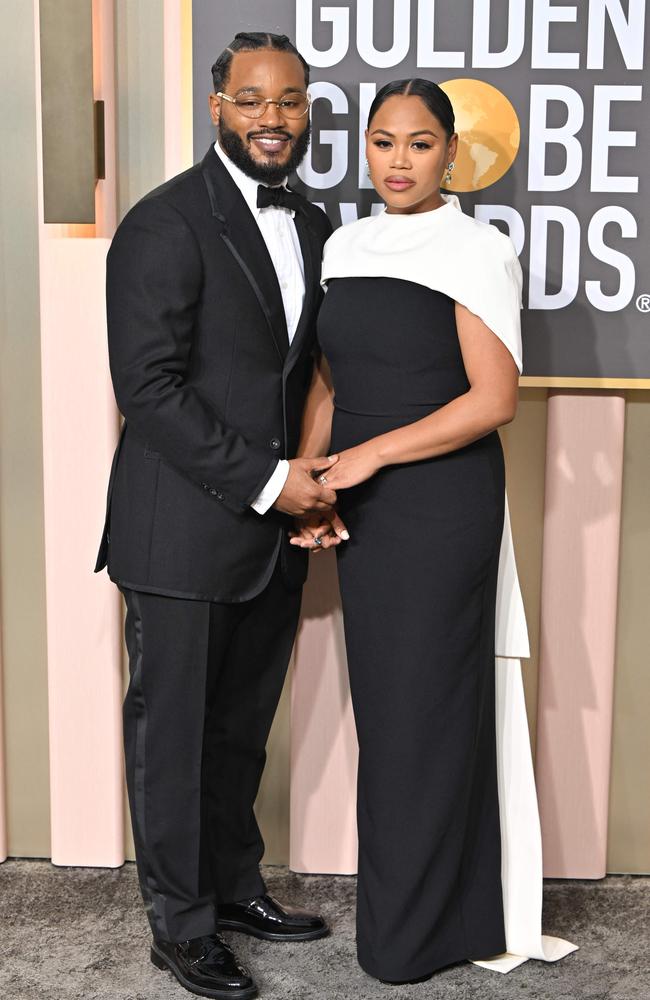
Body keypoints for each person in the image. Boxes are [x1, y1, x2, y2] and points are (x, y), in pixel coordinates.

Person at [290, 78, 575, 982]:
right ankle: (430, 919)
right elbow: (332, 381)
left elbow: (494, 402)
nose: (399, 161)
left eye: (419, 144)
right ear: (364, 150)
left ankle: (419, 935)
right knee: (389, 712)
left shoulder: (477, 248)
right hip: (364, 503)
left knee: (424, 713)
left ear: (453, 153)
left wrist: (371, 459)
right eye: (383, 142)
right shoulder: (344, 244)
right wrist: (314, 480)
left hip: (440, 504)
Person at [95, 31, 343, 1000]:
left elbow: (306, 374)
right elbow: (147, 390)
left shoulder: (316, 225)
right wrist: (271, 481)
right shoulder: (164, 224)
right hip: (179, 530)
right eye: (251, 100)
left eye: (287, 101)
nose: (270, 119)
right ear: (216, 107)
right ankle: (180, 925)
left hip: (270, 536)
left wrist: (315, 488)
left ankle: (234, 887)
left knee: (240, 731)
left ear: (305, 109)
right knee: (172, 736)